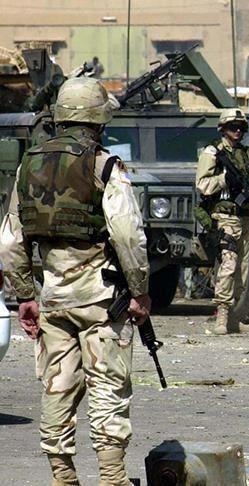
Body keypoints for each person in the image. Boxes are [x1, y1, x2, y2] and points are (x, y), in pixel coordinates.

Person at [0, 77, 150, 485]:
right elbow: (128, 234)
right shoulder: (104, 165)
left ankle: (63, 478)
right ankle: (113, 479)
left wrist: (25, 296)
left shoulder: (29, 164)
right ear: (99, 120)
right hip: (101, 299)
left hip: (52, 298)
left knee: (57, 387)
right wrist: (140, 291)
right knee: (107, 387)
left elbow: (10, 240)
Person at [196, 108, 249, 334]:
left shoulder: (244, 154)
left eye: (241, 128)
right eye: (233, 127)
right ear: (223, 129)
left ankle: (234, 319)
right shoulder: (213, 153)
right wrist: (223, 179)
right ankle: (221, 317)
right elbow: (202, 185)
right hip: (224, 217)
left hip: (244, 218)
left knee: (243, 271)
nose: (237, 131)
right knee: (228, 266)